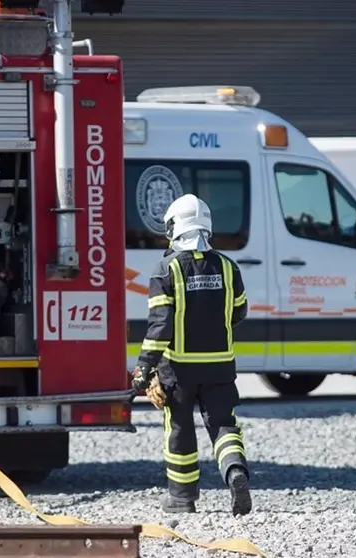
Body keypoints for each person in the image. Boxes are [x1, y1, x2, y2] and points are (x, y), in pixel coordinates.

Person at [130, 193, 252, 516]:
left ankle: (182, 498)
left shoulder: (165, 270)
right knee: (224, 425)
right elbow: (239, 312)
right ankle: (235, 470)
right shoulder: (229, 267)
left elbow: (160, 328)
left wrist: (143, 370)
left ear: (173, 227)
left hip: (180, 371)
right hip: (221, 368)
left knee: (180, 428)